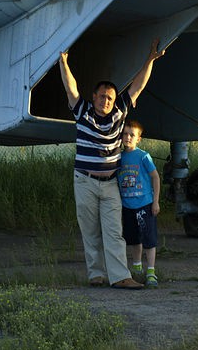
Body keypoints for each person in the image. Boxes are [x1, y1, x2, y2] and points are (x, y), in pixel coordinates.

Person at [59, 39, 165, 289]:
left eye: (109, 97)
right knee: (90, 230)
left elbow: (138, 86)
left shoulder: (120, 112)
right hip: (84, 180)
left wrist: (149, 60)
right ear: (94, 97)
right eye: (101, 96)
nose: (105, 101)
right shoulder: (82, 110)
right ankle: (96, 274)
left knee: (114, 231)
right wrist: (63, 61)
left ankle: (120, 277)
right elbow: (70, 88)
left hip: (110, 184)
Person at [118, 119, 161, 288]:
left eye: (132, 135)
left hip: (144, 204)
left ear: (138, 139)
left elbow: (155, 177)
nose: (128, 137)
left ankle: (151, 271)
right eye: (125, 134)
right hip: (127, 205)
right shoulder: (119, 157)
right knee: (134, 239)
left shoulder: (143, 156)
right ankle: (137, 268)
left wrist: (155, 201)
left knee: (149, 238)